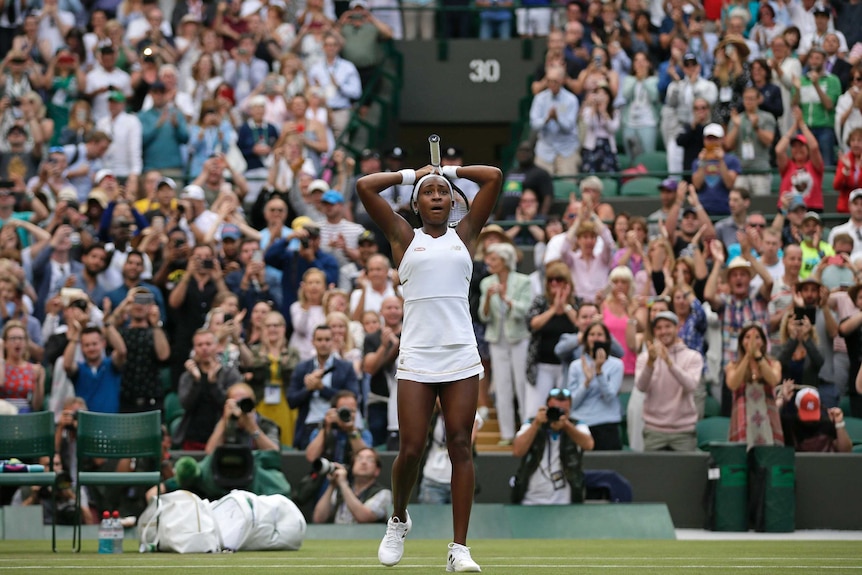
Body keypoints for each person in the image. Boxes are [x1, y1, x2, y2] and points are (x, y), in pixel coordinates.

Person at [357, 156, 502, 571]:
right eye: (428, 194)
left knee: (460, 444)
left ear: (453, 202)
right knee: (411, 448)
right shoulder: (402, 235)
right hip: (418, 355)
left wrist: (449, 172)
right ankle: (399, 517)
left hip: (460, 353)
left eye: (443, 193)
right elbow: (365, 187)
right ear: (417, 205)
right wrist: (412, 175)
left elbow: (493, 176)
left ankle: (459, 548)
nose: (436, 196)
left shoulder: (466, 233)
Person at [479, 242, 532, 446]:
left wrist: (505, 298)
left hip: (519, 338)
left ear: (505, 261)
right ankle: (507, 434)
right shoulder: (486, 283)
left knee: (521, 384)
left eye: (494, 259)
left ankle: (525, 430)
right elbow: (484, 317)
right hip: (497, 339)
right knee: (502, 387)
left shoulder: (523, 281)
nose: (489, 263)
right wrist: (488, 299)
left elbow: (525, 310)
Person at [511, 388, 594, 505]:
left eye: (563, 411)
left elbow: (589, 444)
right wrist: (536, 423)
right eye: (554, 410)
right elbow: (517, 451)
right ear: (546, 408)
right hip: (531, 499)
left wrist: (566, 425)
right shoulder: (532, 424)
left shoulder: (576, 425)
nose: (558, 414)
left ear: (569, 411)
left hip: (565, 501)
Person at [635, 311, 703, 452]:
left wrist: (669, 363)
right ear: (654, 331)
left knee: (685, 474)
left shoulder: (693, 357)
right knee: (653, 473)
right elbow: (641, 387)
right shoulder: (644, 358)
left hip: (683, 431)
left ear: (677, 328)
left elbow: (691, 385)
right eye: (659, 328)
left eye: (668, 326)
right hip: (654, 430)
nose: (663, 331)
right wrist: (650, 363)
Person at [566, 320, 624, 451]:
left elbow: (610, 397)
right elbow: (572, 403)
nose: (595, 338)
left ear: (607, 339)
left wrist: (599, 372)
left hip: (606, 424)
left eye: (599, 334)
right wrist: (586, 382)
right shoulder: (576, 366)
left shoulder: (616, 365)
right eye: (591, 334)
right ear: (586, 339)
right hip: (581, 424)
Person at [725, 323, 784, 447]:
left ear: (763, 342)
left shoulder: (773, 363)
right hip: (743, 418)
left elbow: (773, 380)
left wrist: (757, 356)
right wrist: (747, 356)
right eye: (747, 337)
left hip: (767, 419)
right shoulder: (733, 365)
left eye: (757, 337)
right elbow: (733, 384)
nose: (752, 340)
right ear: (741, 342)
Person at [312, 446, 392, 524]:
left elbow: (364, 517)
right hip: (337, 535)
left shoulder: (384, 493)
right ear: (353, 465)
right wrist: (332, 485)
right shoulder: (341, 490)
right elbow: (318, 518)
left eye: (370, 459)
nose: (363, 462)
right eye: (359, 458)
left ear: (377, 471)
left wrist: (343, 483)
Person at [779, 385, 853, 452]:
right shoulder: (788, 423)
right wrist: (782, 400)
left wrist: (839, 424)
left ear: (819, 406)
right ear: (796, 406)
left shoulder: (827, 423)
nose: (810, 421)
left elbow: (846, 451)